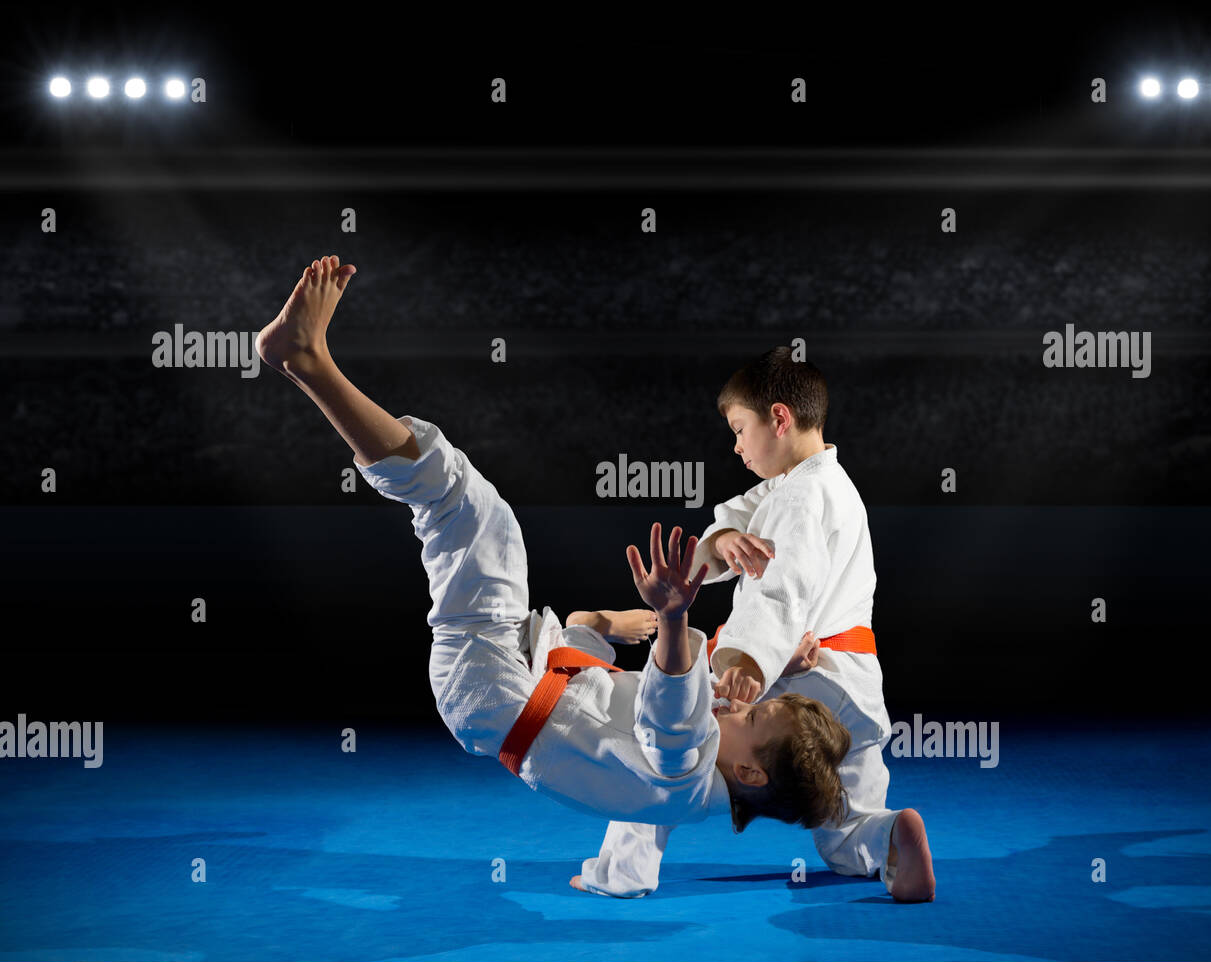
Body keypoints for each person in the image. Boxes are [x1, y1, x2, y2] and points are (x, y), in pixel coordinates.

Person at [255, 255, 852, 835]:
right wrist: (599, 628)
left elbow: (672, 712)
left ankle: (308, 362)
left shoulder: (689, 769)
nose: (736, 705)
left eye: (750, 715)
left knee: (463, 505)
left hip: (493, 684)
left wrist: (674, 618)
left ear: (748, 771)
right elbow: (618, 705)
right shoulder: (712, 765)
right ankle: (306, 362)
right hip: (515, 674)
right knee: (481, 515)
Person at [574, 347, 936, 902]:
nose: (737, 446)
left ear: (781, 418)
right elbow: (732, 524)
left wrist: (746, 659)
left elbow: (780, 589)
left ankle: (622, 872)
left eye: (741, 429)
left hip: (787, 679)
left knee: (667, 744)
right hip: (853, 687)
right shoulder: (815, 486)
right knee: (841, 820)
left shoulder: (800, 497)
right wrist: (723, 542)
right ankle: (888, 836)